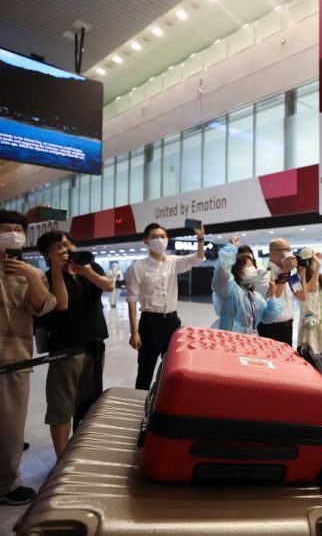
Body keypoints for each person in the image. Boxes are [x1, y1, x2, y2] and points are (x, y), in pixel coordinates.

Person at [37, 231, 111, 457]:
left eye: (68, 243)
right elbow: (61, 305)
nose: (65, 249)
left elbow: (108, 286)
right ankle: (62, 458)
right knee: (62, 405)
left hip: (95, 344)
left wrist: (86, 271)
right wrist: (58, 271)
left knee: (89, 402)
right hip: (66, 348)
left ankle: (81, 450)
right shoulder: (46, 277)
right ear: (46, 254)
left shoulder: (90, 267)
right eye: (58, 246)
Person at [0, 210, 57, 506]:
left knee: (10, 426)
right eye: (5, 229)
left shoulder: (29, 273)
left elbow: (45, 306)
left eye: (17, 229)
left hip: (15, 359)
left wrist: (34, 276)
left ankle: (8, 484)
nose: (12, 234)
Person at [126, 222, 205, 390]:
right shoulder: (137, 267)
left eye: (163, 236)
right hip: (150, 323)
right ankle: (140, 404)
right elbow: (132, 300)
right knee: (146, 369)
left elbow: (197, 258)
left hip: (172, 322)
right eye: (154, 237)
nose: (159, 240)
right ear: (145, 241)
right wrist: (134, 332)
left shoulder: (173, 261)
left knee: (171, 368)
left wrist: (200, 238)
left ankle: (164, 404)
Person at [212, 236, 281, 334]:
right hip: (229, 338)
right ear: (237, 270)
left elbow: (267, 317)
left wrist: (272, 296)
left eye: (252, 265)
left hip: (249, 340)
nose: (252, 269)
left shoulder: (255, 296)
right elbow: (222, 272)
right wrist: (231, 248)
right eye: (248, 265)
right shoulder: (230, 290)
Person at [257, 238, 306, 346]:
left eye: (290, 249)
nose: (290, 253)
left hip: (288, 325)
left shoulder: (290, 274)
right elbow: (274, 296)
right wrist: (285, 271)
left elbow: (301, 296)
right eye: (286, 250)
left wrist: (302, 275)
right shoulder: (264, 272)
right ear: (273, 253)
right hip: (271, 327)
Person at [297, 248, 322, 353]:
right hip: (309, 323)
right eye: (315, 258)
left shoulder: (318, 276)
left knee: (320, 352)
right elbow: (309, 289)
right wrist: (317, 269)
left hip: (319, 321)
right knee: (310, 353)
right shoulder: (300, 277)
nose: (319, 260)